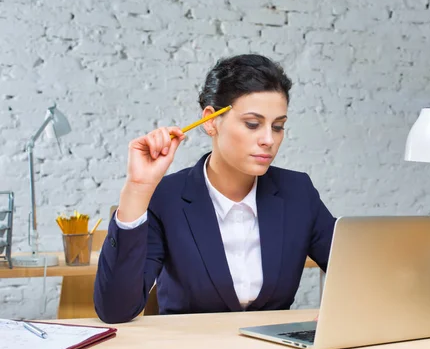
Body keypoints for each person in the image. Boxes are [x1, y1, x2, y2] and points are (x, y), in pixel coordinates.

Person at [94, 54, 336, 324]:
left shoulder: (297, 192)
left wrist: (337, 316)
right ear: (211, 121)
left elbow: (358, 272)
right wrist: (138, 189)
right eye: (253, 124)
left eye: (278, 127)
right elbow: (115, 310)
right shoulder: (167, 197)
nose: (269, 139)